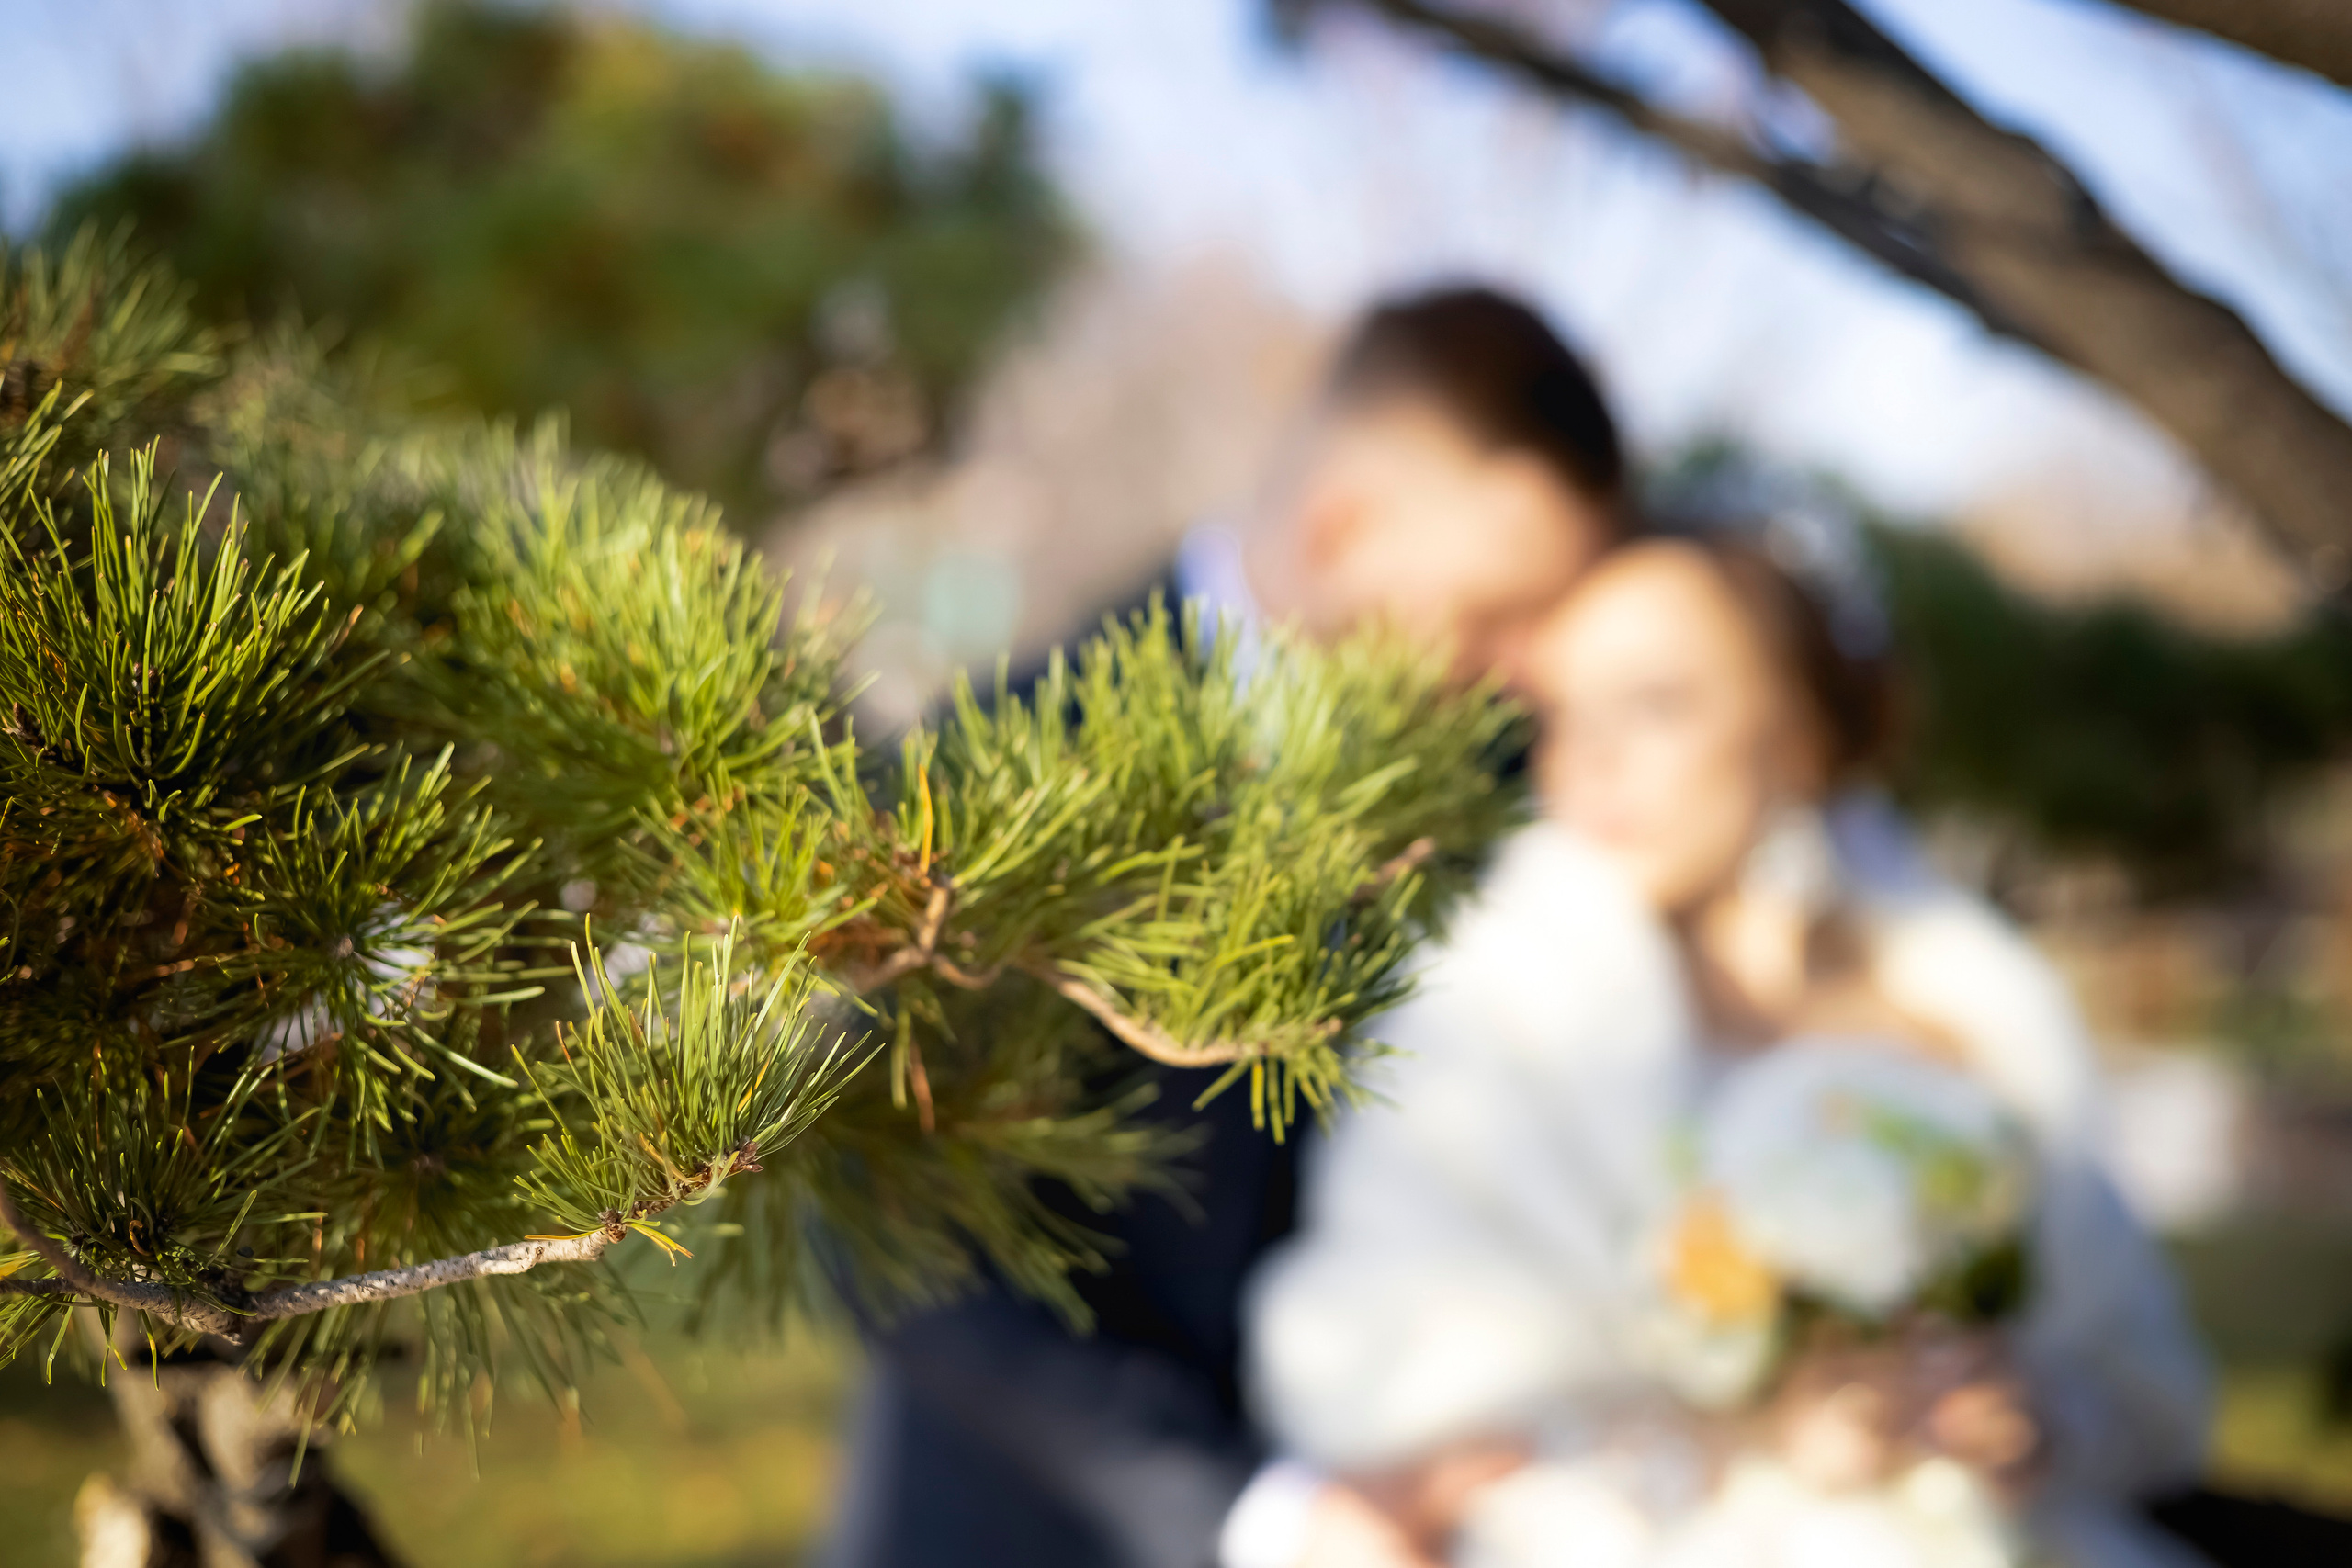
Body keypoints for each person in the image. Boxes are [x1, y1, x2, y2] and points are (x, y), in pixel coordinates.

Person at [822, 287, 1631, 1568]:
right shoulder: (1006, 759)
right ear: (1341, 525)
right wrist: (1254, 1512)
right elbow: (885, 1233)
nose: (1522, 666)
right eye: (1492, 613)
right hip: (1027, 1530)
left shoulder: (1511, 770)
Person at [1244, 534, 2214, 1568]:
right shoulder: (1490, 1012)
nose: (1592, 759)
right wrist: (1751, 1440)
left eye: (1656, 704)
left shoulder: (1973, 1006)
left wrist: (2027, 1421)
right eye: (1561, 715)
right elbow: (1387, 1390)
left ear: (1795, 734)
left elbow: (2137, 1375)